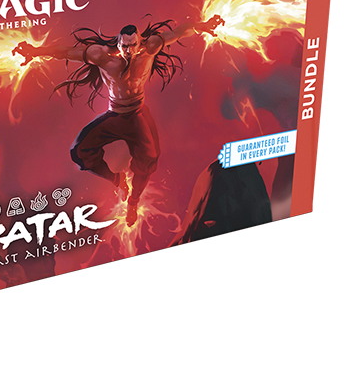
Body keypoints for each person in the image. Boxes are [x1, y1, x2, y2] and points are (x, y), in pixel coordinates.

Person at [12, 15, 224, 226]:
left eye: (133, 45)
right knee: (79, 151)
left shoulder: (151, 47)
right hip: (115, 115)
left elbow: (179, 32)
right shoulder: (102, 56)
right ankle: (118, 180)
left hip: (137, 115)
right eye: (125, 45)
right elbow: (66, 52)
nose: (129, 50)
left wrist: (203, 26)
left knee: (149, 159)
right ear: (118, 42)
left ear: (140, 42)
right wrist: (35, 51)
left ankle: (133, 201)